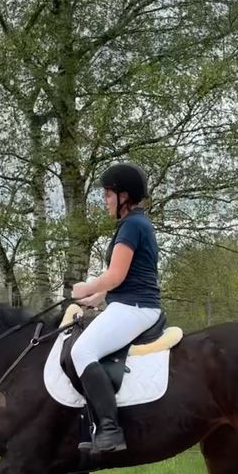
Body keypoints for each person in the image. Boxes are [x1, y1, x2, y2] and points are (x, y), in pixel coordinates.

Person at [70, 161, 161, 454]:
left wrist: (88, 286)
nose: (105, 201)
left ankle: (110, 429)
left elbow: (116, 275)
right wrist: (99, 297)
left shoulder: (132, 226)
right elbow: (128, 275)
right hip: (130, 303)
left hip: (136, 307)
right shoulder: (135, 224)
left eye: (108, 195)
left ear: (124, 196)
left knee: (81, 351)